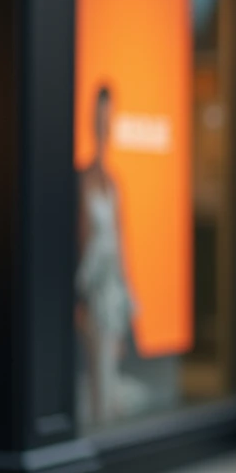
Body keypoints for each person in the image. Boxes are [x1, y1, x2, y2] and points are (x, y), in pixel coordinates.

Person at [76, 85, 145, 427]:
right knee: (94, 375)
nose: (104, 125)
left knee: (108, 373)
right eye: (98, 117)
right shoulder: (83, 180)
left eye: (108, 117)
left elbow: (120, 246)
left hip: (111, 295)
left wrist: (126, 300)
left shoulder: (112, 183)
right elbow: (82, 241)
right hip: (90, 293)